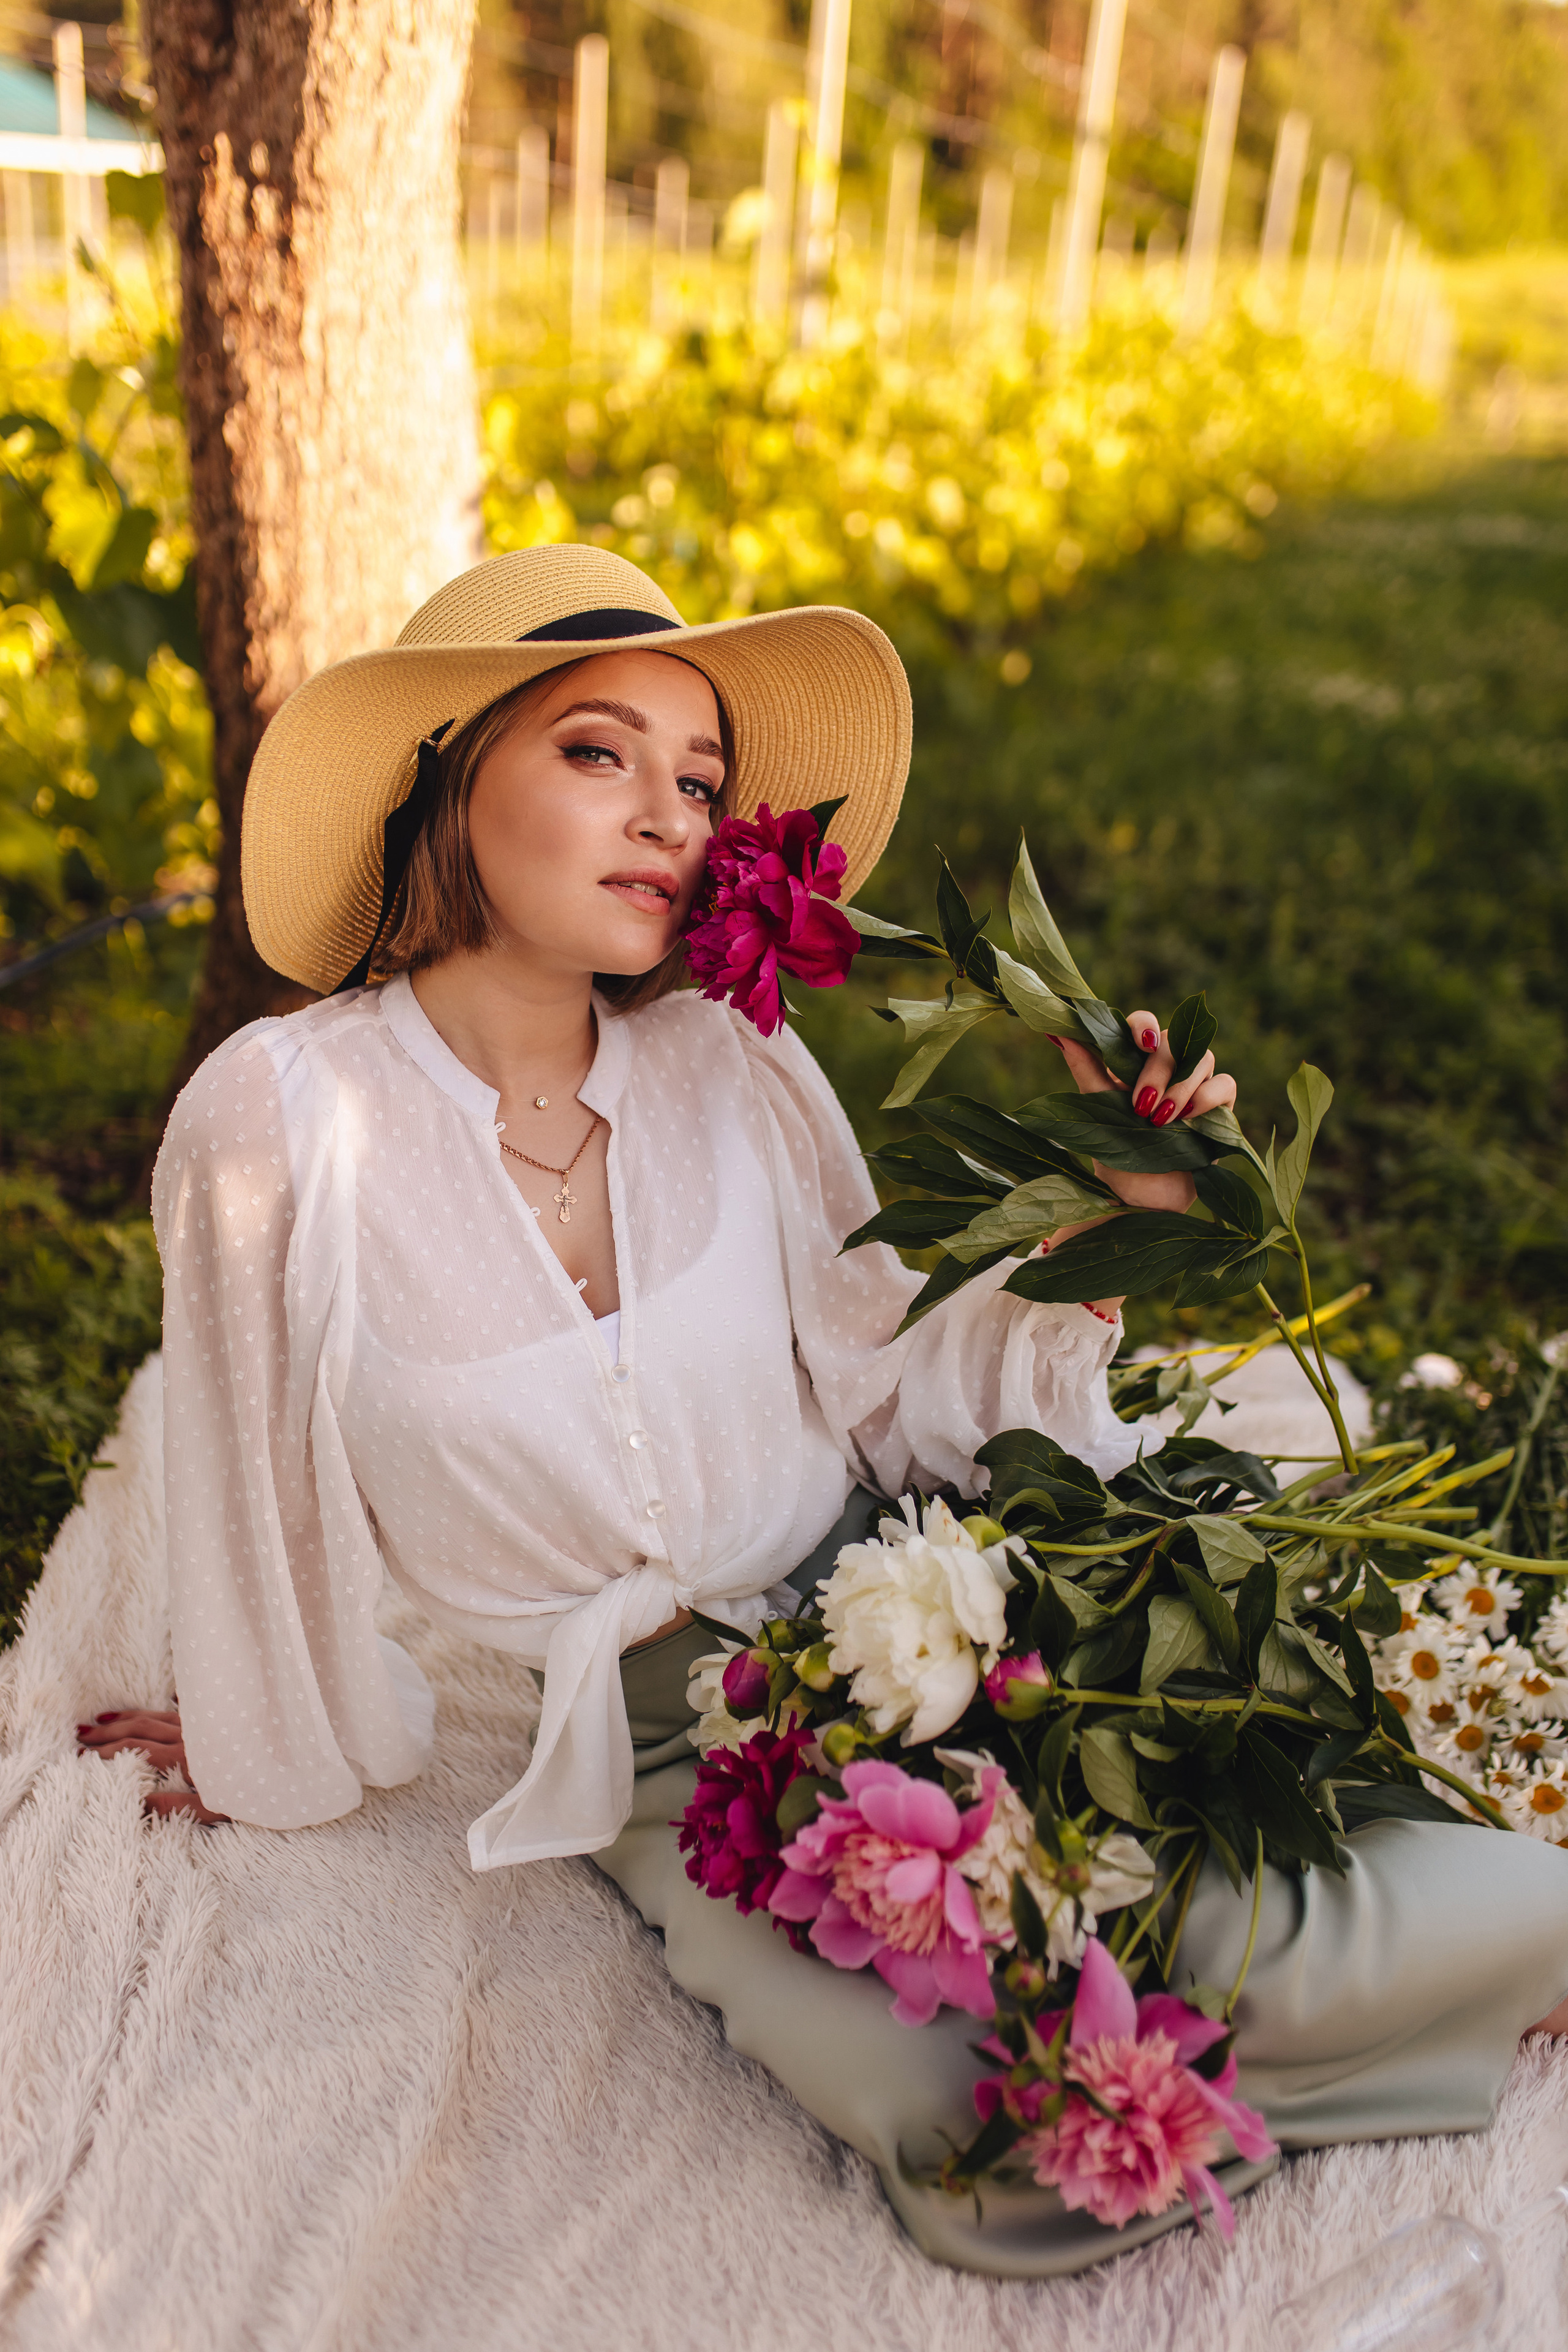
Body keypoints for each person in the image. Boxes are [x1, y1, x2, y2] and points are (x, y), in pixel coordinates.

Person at [79, 545, 1568, 2275]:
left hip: (917, 1606)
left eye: (699, 781)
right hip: (665, 1752)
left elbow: (893, 1377)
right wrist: (266, 1735)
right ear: (448, 771)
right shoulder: (284, 1120)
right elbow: (254, 1474)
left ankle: (1499, 1948)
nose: (670, 816)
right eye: (596, 753)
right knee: (995, 2164)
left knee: (1234, 1890)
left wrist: (1114, 1205)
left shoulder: (729, 1060)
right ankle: (1409, 2008)